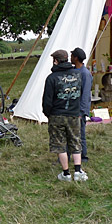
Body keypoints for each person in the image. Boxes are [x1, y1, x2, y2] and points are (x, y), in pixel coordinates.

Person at [42, 50, 87, 182]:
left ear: (56, 60)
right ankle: (78, 171)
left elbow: (47, 100)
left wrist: (48, 114)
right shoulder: (78, 75)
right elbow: (80, 93)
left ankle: (66, 173)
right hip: (73, 114)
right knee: (75, 141)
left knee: (60, 143)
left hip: (57, 115)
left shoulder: (51, 78)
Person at [70, 47, 92, 163]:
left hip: (79, 110)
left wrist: (82, 111)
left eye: (72, 55)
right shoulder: (73, 71)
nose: (70, 58)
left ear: (76, 58)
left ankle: (83, 156)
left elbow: (85, 94)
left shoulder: (85, 74)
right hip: (71, 108)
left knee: (80, 133)